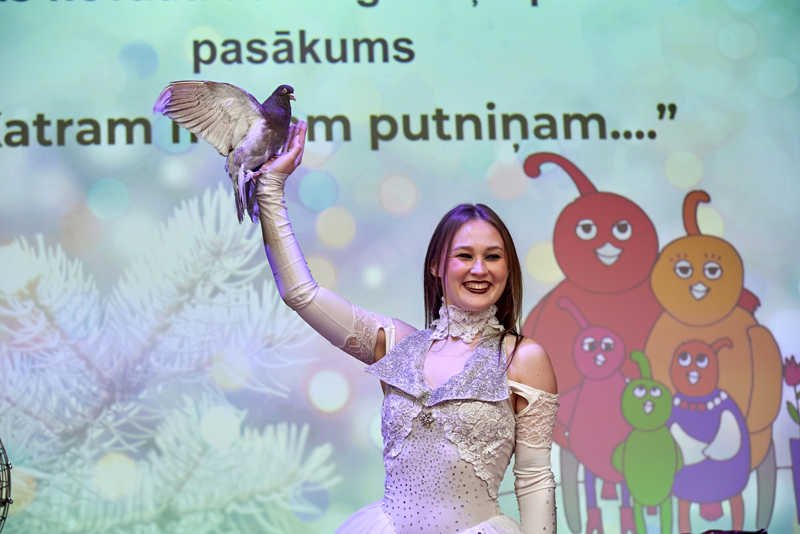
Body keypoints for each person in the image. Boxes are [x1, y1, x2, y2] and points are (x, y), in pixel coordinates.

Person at [255, 120, 559, 534]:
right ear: (436, 266)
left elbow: (535, 480)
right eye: (464, 255)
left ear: (508, 269)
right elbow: (301, 294)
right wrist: (270, 188)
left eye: (493, 257)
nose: (479, 269)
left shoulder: (523, 358)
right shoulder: (399, 345)